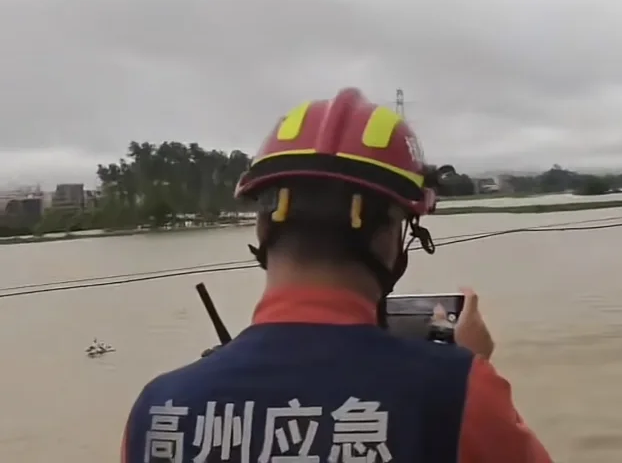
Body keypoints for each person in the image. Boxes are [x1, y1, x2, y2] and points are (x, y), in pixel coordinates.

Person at [119, 88, 551, 463]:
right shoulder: (459, 393)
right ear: (389, 238)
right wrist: (468, 372)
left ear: (263, 225)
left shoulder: (158, 409)